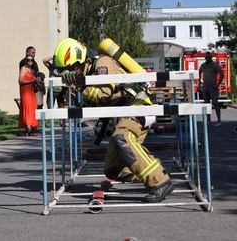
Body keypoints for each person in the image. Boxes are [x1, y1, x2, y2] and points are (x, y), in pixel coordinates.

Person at [55, 38, 173, 203]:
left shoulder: (103, 63)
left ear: (78, 63)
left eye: (70, 70)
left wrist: (79, 85)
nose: (70, 74)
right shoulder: (88, 71)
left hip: (138, 104)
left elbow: (104, 96)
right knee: (113, 170)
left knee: (122, 137)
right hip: (125, 110)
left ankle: (160, 181)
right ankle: (157, 169)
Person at [198, 51, 224, 127]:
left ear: (211, 58)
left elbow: (221, 73)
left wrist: (218, 84)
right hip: (205, 87)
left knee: (215, 103)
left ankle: (219, 120)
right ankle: (208, 121)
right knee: (206, 104)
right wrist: (200, 83)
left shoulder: (214, 65)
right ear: (205, 58)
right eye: (206, 57)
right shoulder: (203, 65)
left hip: (213, 87)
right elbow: (199, 72)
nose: (207, 59)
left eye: (208, 57)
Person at [18, 56, 39, 136]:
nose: (30, 61)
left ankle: (29, 128)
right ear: (25, 61)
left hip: (31, 91)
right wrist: (31, 81)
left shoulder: (32, 70)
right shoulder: (23, 68)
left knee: (32, 108)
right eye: (28, 60)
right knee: (27, 108)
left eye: (32, 60)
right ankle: (28, 128)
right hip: (25, 91)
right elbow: (20, 81)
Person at [43, 56, 66, 126]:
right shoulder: (51, 67)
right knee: (50, 106)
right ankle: (51, 122)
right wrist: (54, 56)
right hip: (52, 89)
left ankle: (62, 122)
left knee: (61, 106)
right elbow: (44, 60)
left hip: (61, 89)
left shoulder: (64, 68)